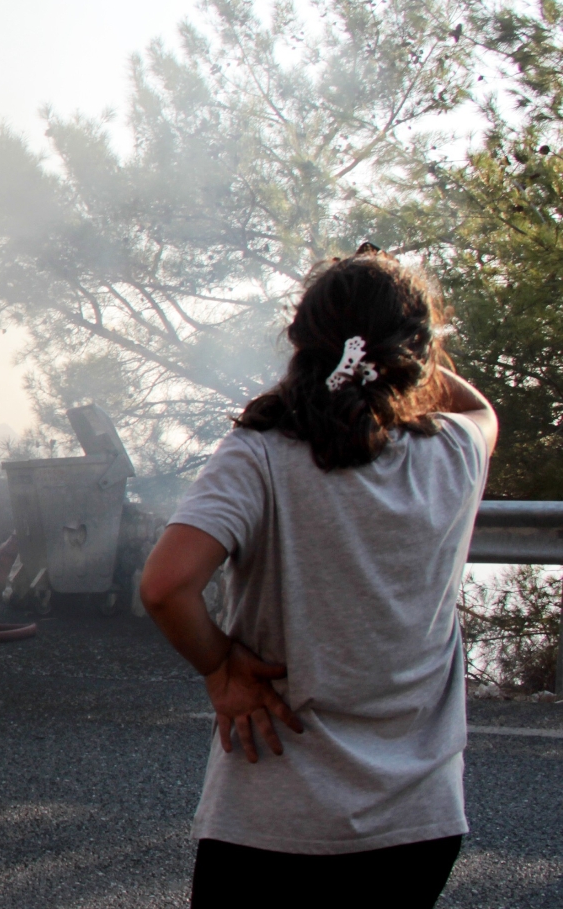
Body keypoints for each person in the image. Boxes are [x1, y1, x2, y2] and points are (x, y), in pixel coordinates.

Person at [139, 247, 497, 908]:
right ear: (411, 350)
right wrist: (400, 351)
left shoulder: (259, 453)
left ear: (300, 342)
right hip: (417, 823)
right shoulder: (455, 450)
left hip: (274, 823)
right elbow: (473, 403)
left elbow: (165, 586)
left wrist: (221, 670)